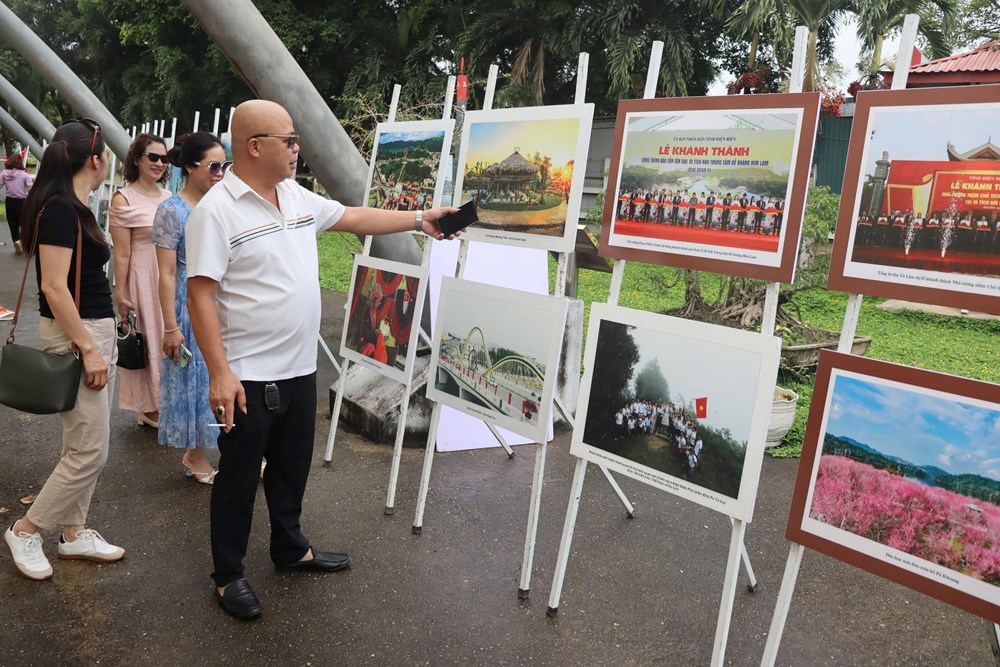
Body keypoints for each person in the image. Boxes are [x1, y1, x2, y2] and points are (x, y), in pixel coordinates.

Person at [185, 100, 459, 620]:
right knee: (239, 478)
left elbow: (352, 215)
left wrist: (420, 218)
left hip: (299, 367)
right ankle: (228, 576)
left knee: (292, 467)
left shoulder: (293, 195)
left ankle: (290, 548)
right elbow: (200, 294)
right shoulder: (215, 212)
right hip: (249, 375)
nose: (297, 148)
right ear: (254, 146)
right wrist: (219, 373)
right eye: (288, 140)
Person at [4, 120, 125, 581]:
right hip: (80, 334)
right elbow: (55, 287)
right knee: (90, 451)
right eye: (107, 152)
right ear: (95, 159)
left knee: (82, 442)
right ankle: (26, 529)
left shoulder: (72, 205)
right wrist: (89, 350)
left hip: (93, 330)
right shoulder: (60, 210)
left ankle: (73, 534)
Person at [152, 132, 229, 485]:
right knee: (199, 378)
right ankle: (195, 453)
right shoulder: (171, 209)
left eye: (224, 165)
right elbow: (166, 272)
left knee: (233, 374)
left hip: (224, 298)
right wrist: (170, 325)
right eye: (213, 166)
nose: (220, 172)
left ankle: (241, 448)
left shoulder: (224, 204)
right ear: (189, 166)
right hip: (188, 301)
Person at [109, 133, 172, 428]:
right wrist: (120, 294)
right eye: (153, 157)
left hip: (169, 275)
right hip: (142, 276)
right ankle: (148, 407)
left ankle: (164, 400)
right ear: (137, 159)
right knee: (147, 338)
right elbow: (120, 254)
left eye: (164, 158)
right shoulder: (123, 199)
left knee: (169, 336)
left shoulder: (169, 197)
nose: (160, 163)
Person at [1, 152, 33, 254]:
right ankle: (25, 242)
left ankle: (16, 240)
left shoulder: (4, 173)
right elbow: (31, 188)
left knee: (12, 223)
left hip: (9, 201)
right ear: (20, 163)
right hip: (22, 202)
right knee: (24, 223)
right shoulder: (25, 175)